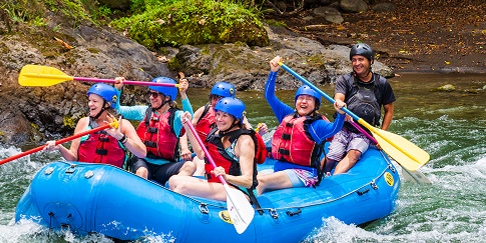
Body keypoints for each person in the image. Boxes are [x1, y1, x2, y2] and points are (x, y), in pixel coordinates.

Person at [256, 56, 345, 193]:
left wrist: (340, 114)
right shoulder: (287, 115)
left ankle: (255, 212)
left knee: (260, 181)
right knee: (251, 177)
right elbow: (269, 96)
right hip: (281, 168)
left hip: (304, 173)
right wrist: (273, 72)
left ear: (316, 105)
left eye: (309, 99)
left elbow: (334, 129)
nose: (303, 101)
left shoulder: (317, 125)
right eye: (301, 98)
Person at [168, 97, 258, 201]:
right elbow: (201, 154)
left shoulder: (244, 141)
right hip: (218, 184)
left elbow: (247, 181)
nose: (219, 119)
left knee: (182, 187)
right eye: (218, 114)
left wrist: (226, 177)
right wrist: (187, 127)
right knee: (174, 180)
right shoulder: (217, 133)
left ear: (236, 119)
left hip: (239, 190)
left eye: (225, 116)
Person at [327, 42, 396, 175]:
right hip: (343, 127)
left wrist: (382, 136)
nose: (357, 63)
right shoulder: (345, 80)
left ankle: (334, 179)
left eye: (361, 59)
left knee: (354, 155)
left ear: (370, 61)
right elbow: (338, 98)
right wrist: (341, 106)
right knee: (334, 154)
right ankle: (317, 177)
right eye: (354, 60)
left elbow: (389, 111)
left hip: (364, 132)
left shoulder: (382, 83)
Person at [114, 75, 193, 184]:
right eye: (150, 94)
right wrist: (118, 89)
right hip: (142, 161)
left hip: (165, 165)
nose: (151, 97)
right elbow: (118, 110)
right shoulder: (144, 111)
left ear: (167, 98)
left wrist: (183, 94)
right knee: (142, 171)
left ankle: (173, 188)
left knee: (190, 165)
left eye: (155, 94)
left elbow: (190, 119)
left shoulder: (176, 116)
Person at [44, 83, 147, 166]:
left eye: (95, 101)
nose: (90, 104)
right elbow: (73, 158)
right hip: (85, 174)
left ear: (107, 104)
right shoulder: (83, 123)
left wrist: (120, 137)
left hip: (112, 178)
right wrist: (60, 147)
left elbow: (142, 153)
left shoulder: (123, 125)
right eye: (89, 100)